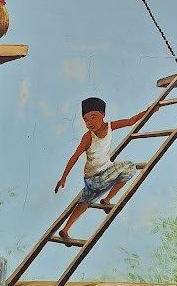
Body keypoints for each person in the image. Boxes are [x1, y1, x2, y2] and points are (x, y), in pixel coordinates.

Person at [54, 96, 150, 244]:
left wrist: (150, 110)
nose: (89, 123)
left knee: (84, 203)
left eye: (93, 117)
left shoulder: (111, 126)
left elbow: (131, 121)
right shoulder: (87, 137)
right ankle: (107, 199)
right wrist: (63, 177)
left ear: (103, 115)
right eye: (86, 120)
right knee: (130, 167)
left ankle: (65, 229)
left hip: (98, 175)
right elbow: (75, 156)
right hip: (94, 179)